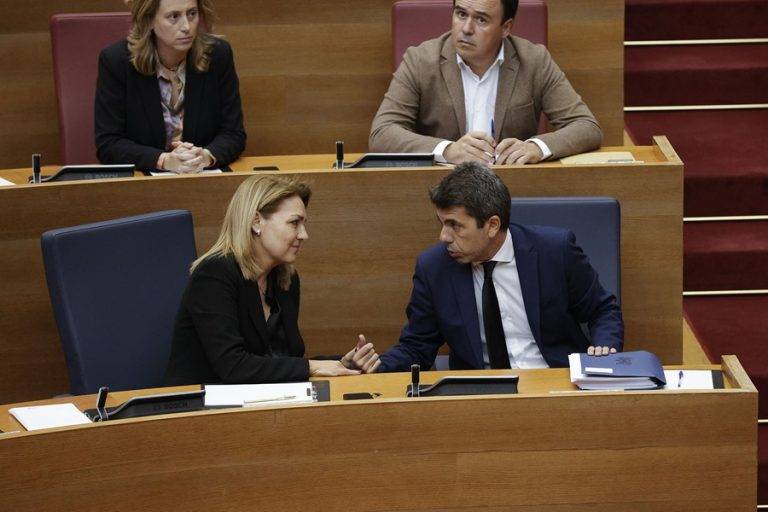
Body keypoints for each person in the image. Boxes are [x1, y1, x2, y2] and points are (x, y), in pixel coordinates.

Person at [376, 162, 623, 372]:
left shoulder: (554, 250)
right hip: (481, 394)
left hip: (554, 380)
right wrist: (376, 367)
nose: (444, 237)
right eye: (441, 223)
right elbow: (417, 346)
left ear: (492, 225)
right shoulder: (434, 268)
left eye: (455, 225)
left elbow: (601, 309)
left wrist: (605, 348)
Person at [165, 175, 380, 385]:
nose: (304, 235)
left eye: (303, 224)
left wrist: (340, 364)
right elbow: (233, 366)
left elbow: (282, 359)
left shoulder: (285, 279)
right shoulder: (214, 274)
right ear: (256, 222)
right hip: (198, 409)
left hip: (257, 404)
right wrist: (312, 367)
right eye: (294, 223)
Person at [369, 0, 602, 165]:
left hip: (512, 192)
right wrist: (447, 150)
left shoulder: (534, 61)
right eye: (461, 14)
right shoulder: (420, 61)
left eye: (481, 19)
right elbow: (382, 133)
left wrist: (535, 147)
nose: (466, 29)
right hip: (441, 191)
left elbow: (586, 126)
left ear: (506, 28)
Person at [95, 0, 246, 173]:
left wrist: (205, 156)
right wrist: (164, 160)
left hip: (202, 177)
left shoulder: (218, 55)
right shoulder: (117, 62)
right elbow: (109, 144)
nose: (187, 26)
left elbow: (234, 134)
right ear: (149, 20)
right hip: (142, 182)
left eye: (192, 14)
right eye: (174, 16)